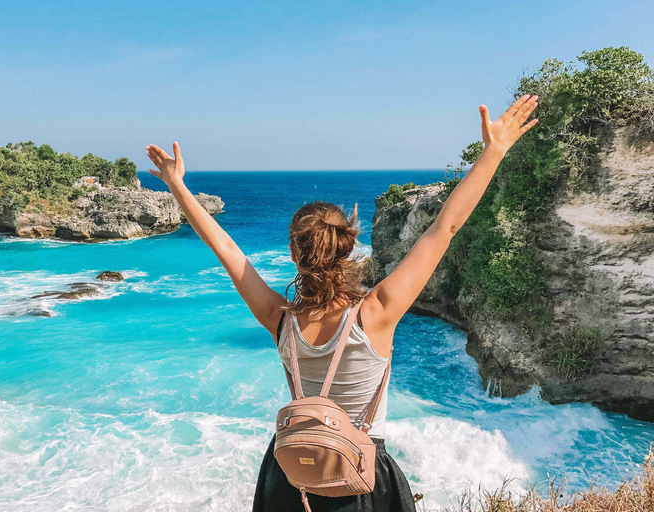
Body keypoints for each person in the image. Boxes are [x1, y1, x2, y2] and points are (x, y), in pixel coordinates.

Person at [145, 94, 539, 512]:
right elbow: (444, 228)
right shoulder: (377, 312)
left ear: (295, 255)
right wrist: (494, 151)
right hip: (359, 478)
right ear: (348, 250)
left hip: (291, 476)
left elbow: (225, 249)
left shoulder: (279, 319)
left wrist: (177, 186)